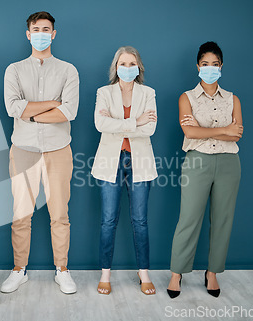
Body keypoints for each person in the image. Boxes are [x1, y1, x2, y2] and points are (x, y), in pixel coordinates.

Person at [1, 11, 79, 294]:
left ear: (54, 34)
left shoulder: (68, 70)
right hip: (23, 149)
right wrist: (50, 104)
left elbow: (69, 111)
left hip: (59, 150)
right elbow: (13, 107)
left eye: (46, 29)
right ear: (28, 34)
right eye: (36, 29)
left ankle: (62, 270)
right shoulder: (15, 69)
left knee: (60, 213)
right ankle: (19, 270)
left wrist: (30, 112)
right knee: (21, 214)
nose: (41, 33)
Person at [167, 41, 243, 299]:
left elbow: (237, 135)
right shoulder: (186, 98)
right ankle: (176, 273)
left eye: (215, 65)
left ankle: (212, 273)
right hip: (197, 161)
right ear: (197, 66)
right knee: (189, 218)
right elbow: (189, 132)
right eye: (205, 64)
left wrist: (204, 129)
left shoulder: (233, 99)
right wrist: (223, 129)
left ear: (222, 67)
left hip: (229, 164)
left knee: (222, 220)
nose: (210, 68)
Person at [91, 46, 158, 295]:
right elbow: (100, 124)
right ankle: (105, 274)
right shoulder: (104, 92)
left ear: (138, 67)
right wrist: (135, 121)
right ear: (115, 67)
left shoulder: (148, 93)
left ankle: (144, 274)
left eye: (132, 64)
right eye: (122, 64)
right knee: (108, 220)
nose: (127, 68)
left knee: (140, 221)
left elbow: (149, 129)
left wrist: (118, 124)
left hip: (139, 161)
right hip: (111, 160)